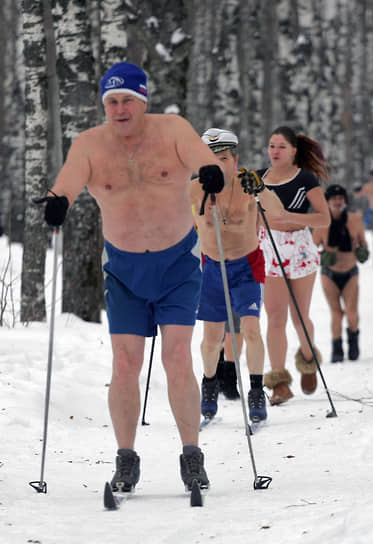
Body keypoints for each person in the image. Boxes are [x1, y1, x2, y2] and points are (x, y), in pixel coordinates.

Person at [37, 62, 224, 495]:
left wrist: (211, 173)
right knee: (125, 363)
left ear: (143, 101)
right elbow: (64, 185)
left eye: (127, 101)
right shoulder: (89, 145)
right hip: (123, 269)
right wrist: (56, 202)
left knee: (176, 358)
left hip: (177, 264)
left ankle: (192, 455)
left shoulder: (172, 130)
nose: (119, 109)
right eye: (111, 101)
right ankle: (126, 458)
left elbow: (206, 161)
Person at [191, 127, 286, 423]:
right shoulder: (195, 188)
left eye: (223, 158)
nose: (218, 164)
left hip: (246, 265)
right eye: (211, 158)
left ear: (235, 158)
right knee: (211, 337)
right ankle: (209, 384)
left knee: (251, 328)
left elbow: (278, 210)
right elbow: (170, 219)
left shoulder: (248, 183)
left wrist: (261, 189)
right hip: (212, 267)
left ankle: (256, 390)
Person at [257, 126, 330, 405]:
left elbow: (324, 218)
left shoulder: (305, 179)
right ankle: (280, 383)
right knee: (275, 317)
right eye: (271, 146)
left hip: (298, 248)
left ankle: (308, 359)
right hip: (268, 248)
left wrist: (290, 217)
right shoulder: (259, 179)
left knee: (299, 317)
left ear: (293, 151)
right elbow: (254, 214)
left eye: (281, 147)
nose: (275, 151)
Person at [312, 184, 369, 362]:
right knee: (336, 313)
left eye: (341, 198)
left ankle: (353, 342)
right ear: (327, 202)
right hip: (329, 274)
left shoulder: (355, 220)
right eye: (334, 199)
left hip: (350, 273)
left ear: (345, 201)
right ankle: (337, 348)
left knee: (352, 313)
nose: (337, 202)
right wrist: (323, 257)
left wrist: (362, 252)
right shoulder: (320, 223)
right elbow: (311, 250)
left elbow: (363, 244)